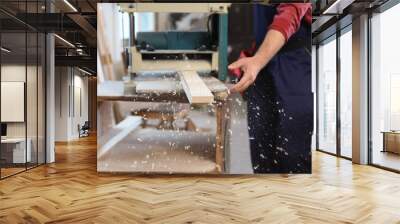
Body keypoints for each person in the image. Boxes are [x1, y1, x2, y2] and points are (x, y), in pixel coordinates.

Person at [229, 3, 313, 173]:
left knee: (293, 154)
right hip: (262, 63)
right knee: (261, 153)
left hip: (295, 61)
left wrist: (258, 60)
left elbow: (292, 11)